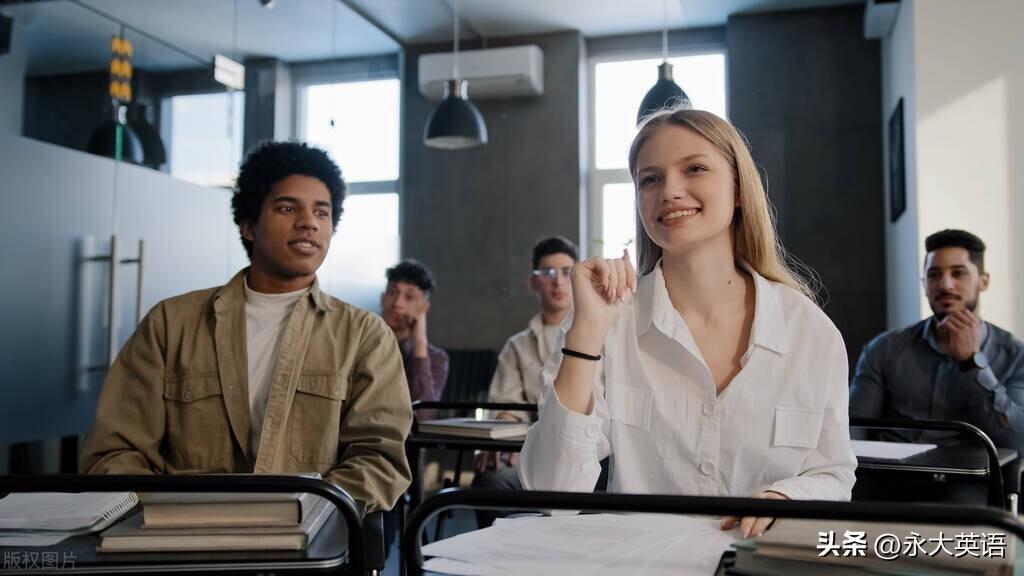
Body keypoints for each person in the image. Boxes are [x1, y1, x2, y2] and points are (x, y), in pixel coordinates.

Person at [519, 107, 856, 539]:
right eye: (650, 179)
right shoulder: (609, 323)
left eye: (694, 168)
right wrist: (586, 331)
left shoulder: (809, 330)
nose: (670, 191)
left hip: (759, 563)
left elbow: (834, 473)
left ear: (738, 189)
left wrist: (787, 497)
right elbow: (551, 493)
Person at [80, 141, 413, 513]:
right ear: (249, 226)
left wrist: (297, 517)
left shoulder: (364, 336)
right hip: (182, 544)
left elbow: (380, 461)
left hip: (307, 548)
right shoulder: (170, 324)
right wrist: (163, 517)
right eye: (288, 208)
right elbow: (114, 451)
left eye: (322, 212)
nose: (309, 221)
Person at [850, 230, 1024, 455]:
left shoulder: (1015, 355)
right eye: (934, 275)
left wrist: (972, 362)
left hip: (968, 481)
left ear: (984, 281)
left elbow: (1017, 440)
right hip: (891, 477)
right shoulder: (884, 349)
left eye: (958, 273)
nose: (945, 285)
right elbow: (853, 428)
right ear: (924, 283)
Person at [471, 236, 578, 526]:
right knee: (491, 480)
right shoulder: (517, 347)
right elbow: (507, 408)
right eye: (547, 273)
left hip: (590, 456)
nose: (558, 281)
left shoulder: (601, 334)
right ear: (533, 282)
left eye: (567, 272)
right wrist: (500, 440)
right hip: (531, 457)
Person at [381, 260, 449, 408]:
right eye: (392, 292)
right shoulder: (365, 345)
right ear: (382, 298)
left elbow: (423, 416)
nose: (397, 303)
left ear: (424, 308)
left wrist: (420, 343)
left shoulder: (436, 359)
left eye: (409, 297)